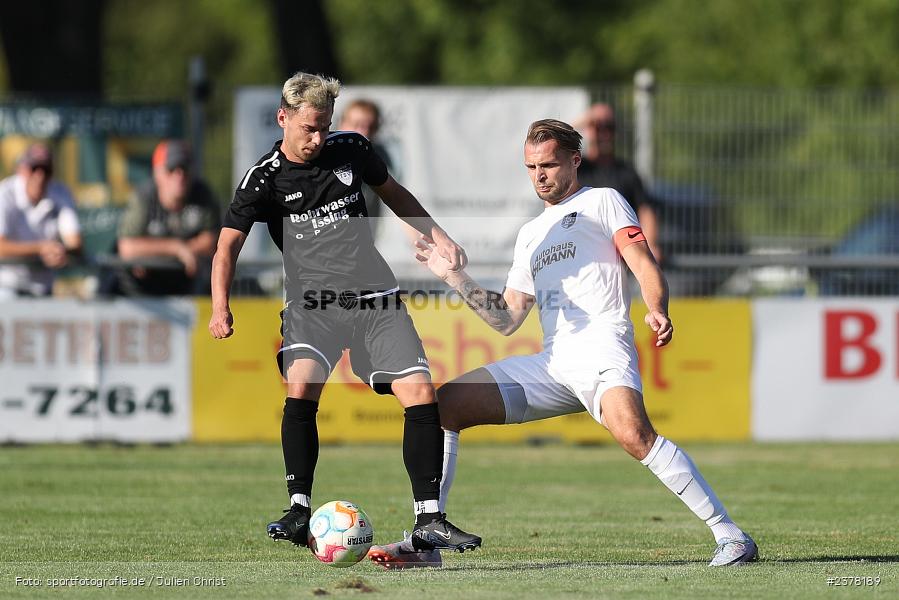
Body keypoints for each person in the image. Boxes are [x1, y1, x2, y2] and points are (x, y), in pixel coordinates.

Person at [369, 119, 756, 569]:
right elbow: (507, 318)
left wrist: (657, 307)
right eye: (531, 166)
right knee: (443, 406)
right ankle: (426, 544)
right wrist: (454, 277)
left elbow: (642, 262)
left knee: (634, 435)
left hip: (602, 348)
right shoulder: (530, 234)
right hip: (552, 364)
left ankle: (731, 537)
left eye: (549, 164)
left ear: (575, 161)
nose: (539, 175)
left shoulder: (603, 201)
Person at [208, 72, 480, 554]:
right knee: (303, 384)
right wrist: (220, 307)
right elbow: (227, 247)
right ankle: (298, 508)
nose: (318, 138)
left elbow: (394, 194)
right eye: (310, 128)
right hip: (313, 306)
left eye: (325, 127)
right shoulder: (264, 177)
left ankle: (429, 518)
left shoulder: (351, 148)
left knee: (421, 393)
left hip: (375, 298)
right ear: (283, 118)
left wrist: (437, 234)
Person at [115, 140, 219, 295]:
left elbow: (212, 241)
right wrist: (177, 248)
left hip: (186, 285)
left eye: (184, 168)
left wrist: (151, 251)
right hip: (142, 290)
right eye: (171, 169)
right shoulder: (144, 197)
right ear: (157, 173)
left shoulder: (202, 194)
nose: (179, 175)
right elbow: (127, 247)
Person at [576, 103, 662, 262]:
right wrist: (586, 119)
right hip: (583, 253)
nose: (603, 133)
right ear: (587, 129)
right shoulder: (577, 167)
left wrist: (650, 246)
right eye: (597, 126)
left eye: (609, 127)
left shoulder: (626, 171)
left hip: (620, 256)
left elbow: (645, 208)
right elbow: (551, 143)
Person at [0, 143, 81, 297]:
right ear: (21, 170)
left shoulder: (60, 192)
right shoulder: (4, 194)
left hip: (43, 289)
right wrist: (41, 248)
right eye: (34, 168)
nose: (40, 176)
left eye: (46, 170)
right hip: (6, 287)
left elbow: (75, 243)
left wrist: (61, 252)